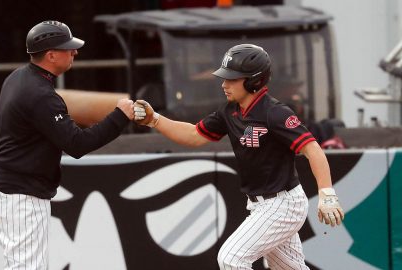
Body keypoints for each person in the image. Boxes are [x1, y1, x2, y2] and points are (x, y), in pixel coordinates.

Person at [133, 44, 344, 269]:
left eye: (232, 79)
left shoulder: (275, 113)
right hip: (260, 205)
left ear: (254, 80)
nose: (224, 84)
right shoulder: (229, 111)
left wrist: (327, 193)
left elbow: (313, 149)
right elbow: (194, 135)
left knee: (231, 259)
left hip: (283, 204)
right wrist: (155, 119)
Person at [0, 20, 134, 270]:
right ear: (51, 55)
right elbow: (76, 144)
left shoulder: (19, 77)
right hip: (21, 193)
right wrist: (119, 117)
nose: (74, 51)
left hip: (11, 185)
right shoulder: (40, 94)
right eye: (68, 48)